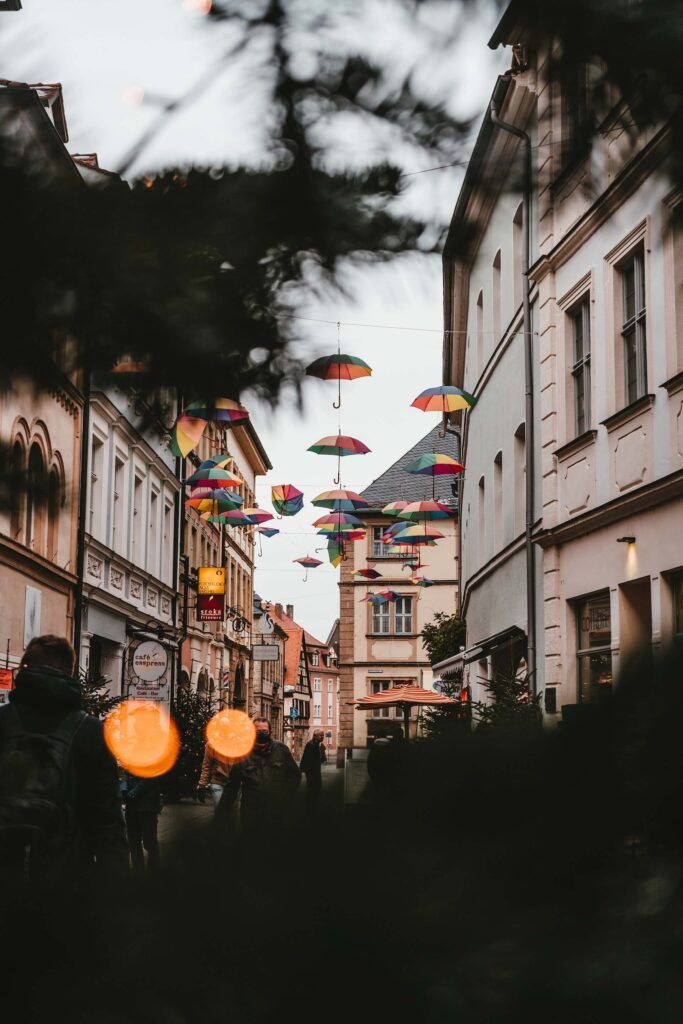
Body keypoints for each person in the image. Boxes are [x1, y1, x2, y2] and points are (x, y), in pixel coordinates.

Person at [0, 634, 128, 885]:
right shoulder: (91, 732)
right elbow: (108, 822)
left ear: (24, 668)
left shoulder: (3, 722)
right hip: (65, 884)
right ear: (70, 674)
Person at [217, 717, 300, 839]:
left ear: (270, 732)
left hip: (277, 811)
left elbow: (295, 775)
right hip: (252, 813)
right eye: (257, 731)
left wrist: (285, 794)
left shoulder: (281, 750)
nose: (261, 734)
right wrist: (221, 813)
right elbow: (232, 787)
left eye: (265, 731)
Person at [121, 770, 163, 876]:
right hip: (133, 807)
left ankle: (153, 875)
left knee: (149, 842)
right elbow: (123, 775)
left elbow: (151, 777)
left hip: (146, 806)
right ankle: (139, 874)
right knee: (134, 843)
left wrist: (132, 793)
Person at [197, 741, 230, 811]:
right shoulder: (211, 744)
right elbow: (206, 765)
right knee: (221, 813)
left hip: (234, 784)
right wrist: (202, 785)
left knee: (233, 816)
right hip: (218, 783)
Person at [300, 729, 326, 815]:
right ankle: (311, 810)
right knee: (313, 790)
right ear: (315, 736)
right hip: (312, 772)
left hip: (314, 771)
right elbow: (307, 759)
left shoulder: (316, 744)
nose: (323, 737)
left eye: (323, 735)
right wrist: (308, 772)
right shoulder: (311, 745)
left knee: (315, 789)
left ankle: (312, 807)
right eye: (321, 735)